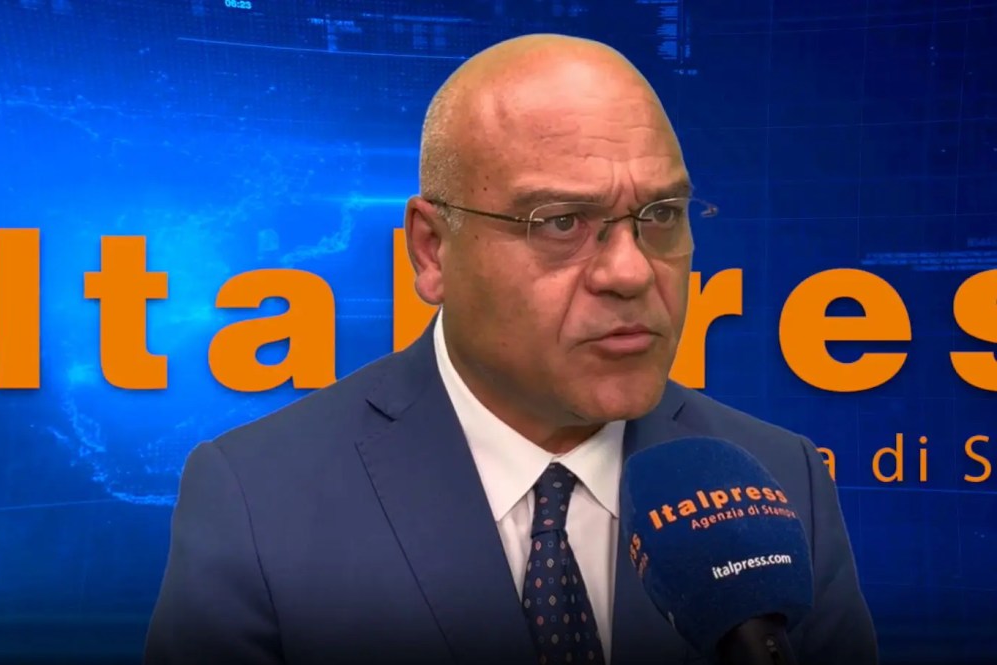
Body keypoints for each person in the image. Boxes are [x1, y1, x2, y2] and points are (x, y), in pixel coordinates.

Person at [144, 34, 877, 665]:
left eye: (660, 215)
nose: (630, 272)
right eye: (561, 221)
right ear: (432, 250)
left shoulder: (785, 482)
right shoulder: (256, 501)